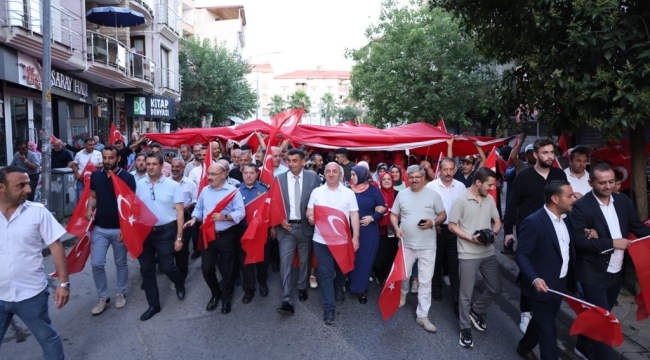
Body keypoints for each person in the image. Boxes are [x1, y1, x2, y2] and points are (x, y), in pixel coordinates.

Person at [569, 163, 650, 360]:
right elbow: (579, 242)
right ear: (591, 183)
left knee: (600, 316)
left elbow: (636, 227)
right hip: (593, 273)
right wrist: (612, 243)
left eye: (611, 182)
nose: (607, 186)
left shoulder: (622, 201)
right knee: (604, 321)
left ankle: (582, 344)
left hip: (617, 273)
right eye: (602, 182)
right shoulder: (581, 206)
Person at [0, 166, 70, 359]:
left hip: (31, 294)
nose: (28, 190)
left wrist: (63, 284)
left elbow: (56, 247)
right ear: (1, 188)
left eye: (28, 184)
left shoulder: (37, 212)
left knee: (47, 338)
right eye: (20, 186)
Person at [503, 138, 568, 332]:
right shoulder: (523, 176)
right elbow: (513, 204)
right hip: (529, 231)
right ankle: (526, 311)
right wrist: (508, 232)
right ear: (535, 155)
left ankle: (546, 307)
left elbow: (565, 202)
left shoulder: (559, 175)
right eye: (545, 153)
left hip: (555, 229)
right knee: (528, 271)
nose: (549, 156)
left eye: (551, 152)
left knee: (550, 267)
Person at [516, 180, 577, 360]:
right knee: (549, 332)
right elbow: (521, 255)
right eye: (570, 196)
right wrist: (534, 278)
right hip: (541, 287)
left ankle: (524, 347)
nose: (574, 199)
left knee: (542, 321)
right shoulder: (533, 222)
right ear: (555, 199)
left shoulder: (567, 219)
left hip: (560, 283)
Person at [448, 167, 502, 348]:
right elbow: (452, 226)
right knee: (465, 294)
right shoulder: (460, 200)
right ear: (478, 182)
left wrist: (493, 234)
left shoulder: (490, 199)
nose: (492, 188)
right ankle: (465, 329)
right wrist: (470, 238)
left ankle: (476, 310)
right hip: (467, 254)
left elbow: (498, 221)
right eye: (489, 184)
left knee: (495, 288)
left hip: (488, 253)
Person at [391, 165, 446, 333]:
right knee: (404, 275)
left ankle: (422, 315)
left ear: (423, 178)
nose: (414, 180)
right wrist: (396, 228)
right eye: (411, 177)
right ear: (407, 178)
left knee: (425, 281)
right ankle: (403, 295)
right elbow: (393, 214)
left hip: (428, 246)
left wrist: (433, 222)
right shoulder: (401, 194)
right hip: (406, 244)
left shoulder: (434, 195)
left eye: (418, 177)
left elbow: (442, 215)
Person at [185, 164, 245, 314]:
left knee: (227, 271)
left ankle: (226, 299)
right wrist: (194, 219)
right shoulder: (205, 191)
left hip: (226, 236)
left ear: (223, 174)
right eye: (208, 174)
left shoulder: (233, 192)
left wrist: (225, 216)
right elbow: (199, 208)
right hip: (208, 235)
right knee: (207, 269)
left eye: (213, 174)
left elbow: (241, 212)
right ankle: (215, 293)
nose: (209, 177)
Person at [306, 162, 360, 325]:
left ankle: (339, 287)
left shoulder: (348, 193)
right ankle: (329, 308)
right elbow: (309, 210)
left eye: (334, 171)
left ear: (340, 174)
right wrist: (310, 217)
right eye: (328, 171)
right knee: (326, 273)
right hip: (321, 240)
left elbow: (354, 215)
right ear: (324, 173)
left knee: (342, 269)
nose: (330, 174)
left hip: (342, 240)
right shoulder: (316, 192)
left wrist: (355, 238)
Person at [135, 152, 186, 321]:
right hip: (144, 232)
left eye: (154, 164)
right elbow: (133, 209)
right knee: (147, 270)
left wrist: (179, 238)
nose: (150, 167)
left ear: (162, 165)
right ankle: (153, 305)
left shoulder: (173, 186)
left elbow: (180, 213)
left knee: (167, 266)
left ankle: (179, 283)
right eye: (147, 164)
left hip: (166, 232)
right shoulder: (139, 184)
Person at [84, 145, 135, 315]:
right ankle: (103, 297)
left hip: (119, 229)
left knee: (120, 263)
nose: (107, 161)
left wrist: (125, 227)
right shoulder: (96, 176)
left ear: (118, 158)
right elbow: (92, 196)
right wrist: (89, 209)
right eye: (104, 158)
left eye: (110, 158)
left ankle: (120, 293)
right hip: (99, 227)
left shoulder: (127, 177)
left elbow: (130, 205)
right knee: (97, 263)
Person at [273, 149, 321, 316]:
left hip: (305, 226)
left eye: (295, 160)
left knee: (304, 261)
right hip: (286, 228)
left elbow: (317, 201)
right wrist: (278, 219)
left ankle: (302, 287)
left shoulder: (313, 177)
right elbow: (273, 202)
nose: (291, 164)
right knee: (285, 264)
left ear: (303, 162)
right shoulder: (279, 179)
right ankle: (286, 299)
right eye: (289, 161)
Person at [427, 158, 467, 312]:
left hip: (454, 229)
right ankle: (436, 288)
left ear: (455, 169)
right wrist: (433, 223)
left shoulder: (461, 186)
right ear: (440, 170)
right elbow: (427, 207)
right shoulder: (431, 186)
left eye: (451, 169)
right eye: (445, 169)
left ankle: (457, 299)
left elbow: (464, 207)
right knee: (436, 261)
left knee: (454, 263)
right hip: (437, 228)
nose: (448, 173)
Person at [348, 165, 386, 304]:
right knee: (351, 258)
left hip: (368, 231)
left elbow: (382, 209)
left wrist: (372, 217)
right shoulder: (347, 190)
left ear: (362, 175)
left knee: (364, 260)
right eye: (351, 175)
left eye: (354, 175)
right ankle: (350, 283)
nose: (351, 177)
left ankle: (361, 289)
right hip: (349, 230)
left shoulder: (373, 190)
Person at [237, 163, 269, 303]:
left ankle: (262, 282)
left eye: (251, 173)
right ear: (242, 174)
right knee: (246, 262)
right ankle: (249, 289)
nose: (248, 175)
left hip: (261, 231)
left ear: (257, 174)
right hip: (243, 231)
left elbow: (270, 210)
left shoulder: (265, 190)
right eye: (246, 173)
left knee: (262, 260)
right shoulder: (235, 191)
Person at [170, 158, 197, 280]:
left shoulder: (190, 183)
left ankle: (181, 276)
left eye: (177, 167)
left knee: (182, 248)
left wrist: (188, 206)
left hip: (185, 217)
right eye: (173, 166)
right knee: (170, 246)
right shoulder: (166, 182)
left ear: (183, 168)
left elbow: (196, 200)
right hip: (170, 218)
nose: (175, 169)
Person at [372, 171, 400, 285]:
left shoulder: (398, 194)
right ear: (380, 181)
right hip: (379, 228)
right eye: (384, 179)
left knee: (391, 253)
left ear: (393, 181)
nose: (387, 181)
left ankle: (388, 275)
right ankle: (379, 274)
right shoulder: (376, 194)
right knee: (380, 254)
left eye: (389, 179)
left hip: (394, 229)